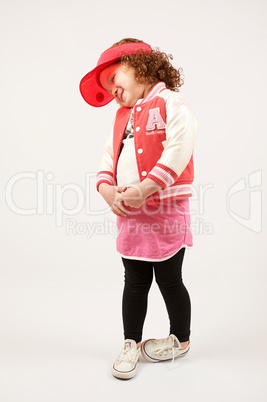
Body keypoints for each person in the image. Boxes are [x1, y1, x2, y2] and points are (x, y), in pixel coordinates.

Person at [80, 38, 197, 380]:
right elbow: (108, 157)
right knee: (134, 281)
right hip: (132, 213)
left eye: (114, 79)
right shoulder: (121, 118)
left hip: (166, 207)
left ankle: (181, 338)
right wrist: (105, 189)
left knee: (170, 279)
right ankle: (130, 342)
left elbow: (179, 146)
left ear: (139, 67)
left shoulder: (170, 103)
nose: (112, 91)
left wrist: (145, 188)